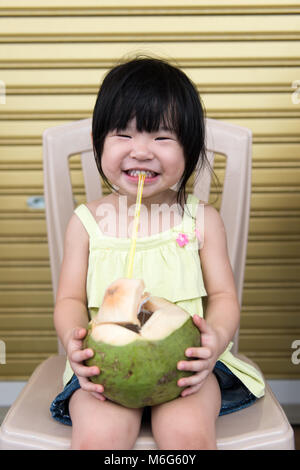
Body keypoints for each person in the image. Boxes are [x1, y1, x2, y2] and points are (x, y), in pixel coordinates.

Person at [50, 56, 265, 450]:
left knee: (187, 438)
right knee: (98, 439)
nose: (142, 151)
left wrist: (214, 341)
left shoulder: (201, 219)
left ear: (190, 150)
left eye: (162, 138)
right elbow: (68, 300)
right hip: (106, 367)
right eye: (123, 134)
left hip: (187, 368)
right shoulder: (86, 222)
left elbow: (222, 298)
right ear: (99, 142)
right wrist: (73, 342)